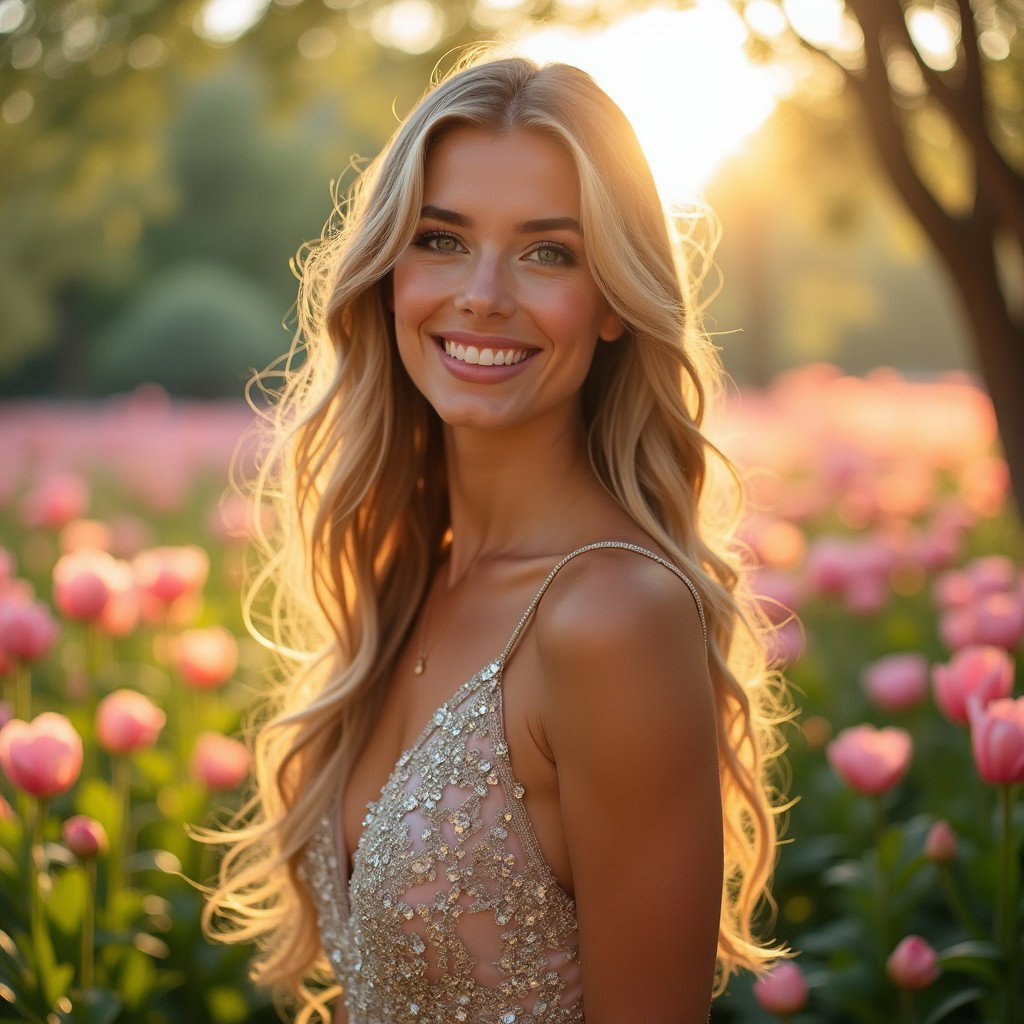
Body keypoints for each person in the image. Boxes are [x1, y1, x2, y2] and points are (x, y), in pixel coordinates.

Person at [195, 48, 790, 1024]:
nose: (482, 292)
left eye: (547, 251)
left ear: (610, 302)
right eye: (441, 238)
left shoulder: (612, 616)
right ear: (388, 273)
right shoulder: (406, 579)